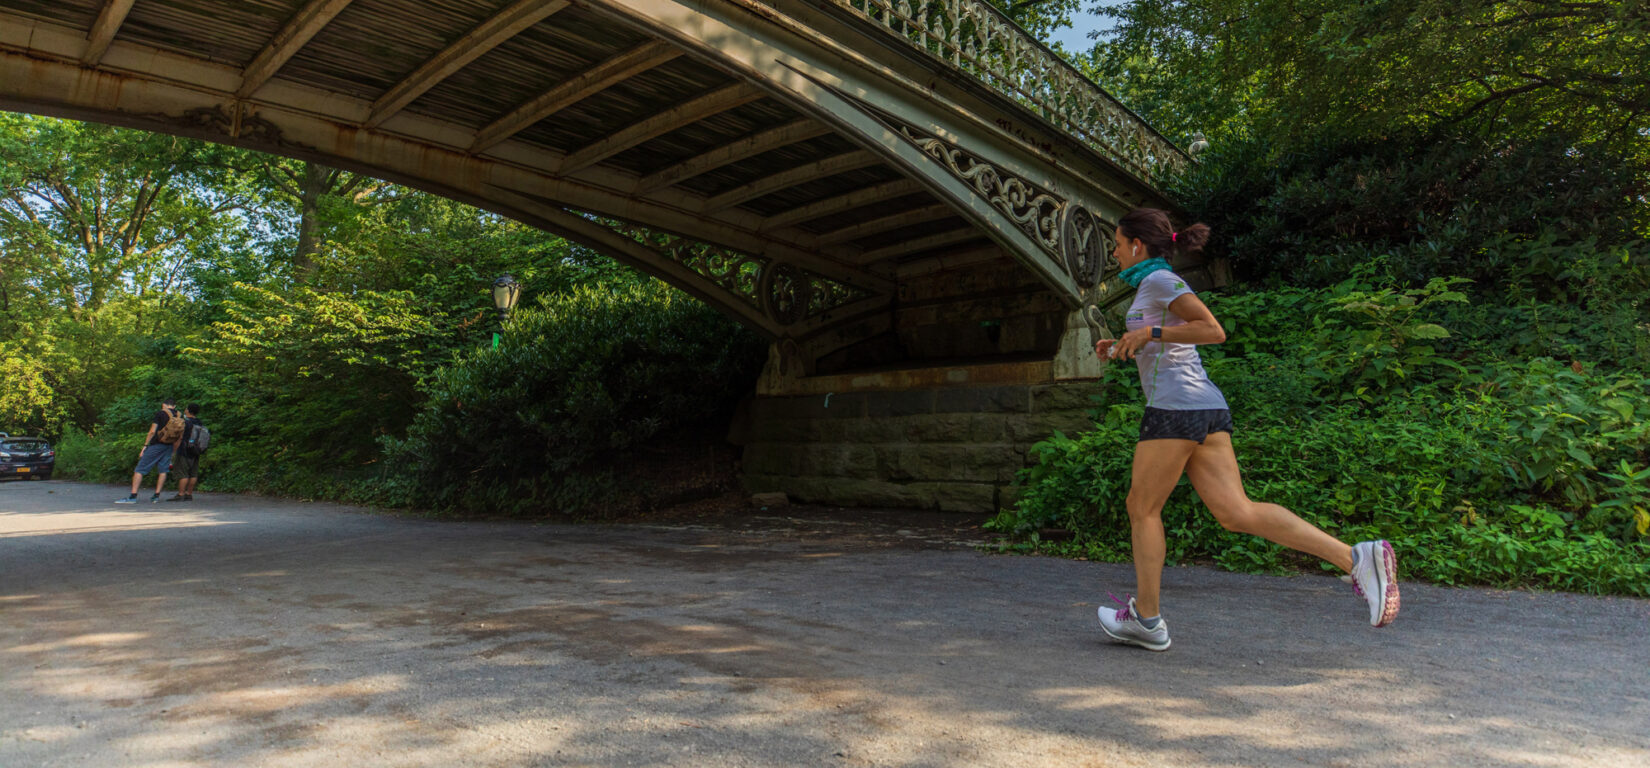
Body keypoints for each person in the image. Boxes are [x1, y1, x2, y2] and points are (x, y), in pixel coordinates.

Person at [1091, 208, 1399, 652]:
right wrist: (1126, 343)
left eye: (1117, 243)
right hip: (1202, 408)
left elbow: (1212, 330)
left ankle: (1147, 617)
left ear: (1137, 245)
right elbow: (1163, 340)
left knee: (1141, 507)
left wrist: (1151, 332)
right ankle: (1355, 557)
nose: (1115, 252)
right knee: (1237, 512)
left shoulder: (1159, 281)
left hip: (1176, 409)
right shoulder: (1150, 285)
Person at [116, 397, 184, 504]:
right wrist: (173, 451)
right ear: (174, 406)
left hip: (156, 445)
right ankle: (156, 496)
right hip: (169, 446)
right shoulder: (180, 415)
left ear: (163, 405)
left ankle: (133, 496)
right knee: (163, 470)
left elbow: (152, 431)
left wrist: (145, 445)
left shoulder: (160, 414)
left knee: (139, 469)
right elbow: (180, 437)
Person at [165, 403, 204, 502]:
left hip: (185, 450)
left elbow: (180, 438)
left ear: (188, 411)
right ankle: (189, 494)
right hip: (196, 450)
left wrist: (174, 451)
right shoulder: (199, 422)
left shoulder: (185, 423)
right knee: (193, 473)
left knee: (183, 473)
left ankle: (181, 494)